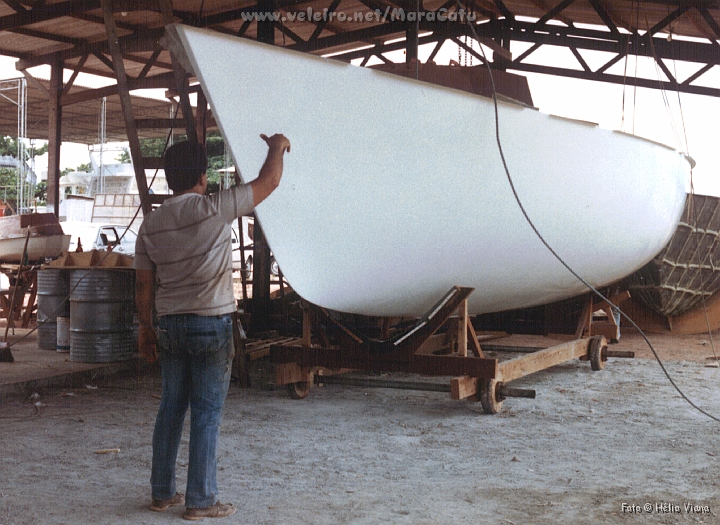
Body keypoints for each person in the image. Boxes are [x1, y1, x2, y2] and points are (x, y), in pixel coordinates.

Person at [134, 134, 291, 520]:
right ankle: (201, 501)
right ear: (202, 177)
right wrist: (278, 146)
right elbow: (269, 182)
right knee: (206, 414)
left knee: (170, 410)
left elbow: (142, 286)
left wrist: (145, 329)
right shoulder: (214, 209)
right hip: (211, 325)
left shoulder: (151, 224)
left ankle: (161, 493)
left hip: (170, 326)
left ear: (171, 179)